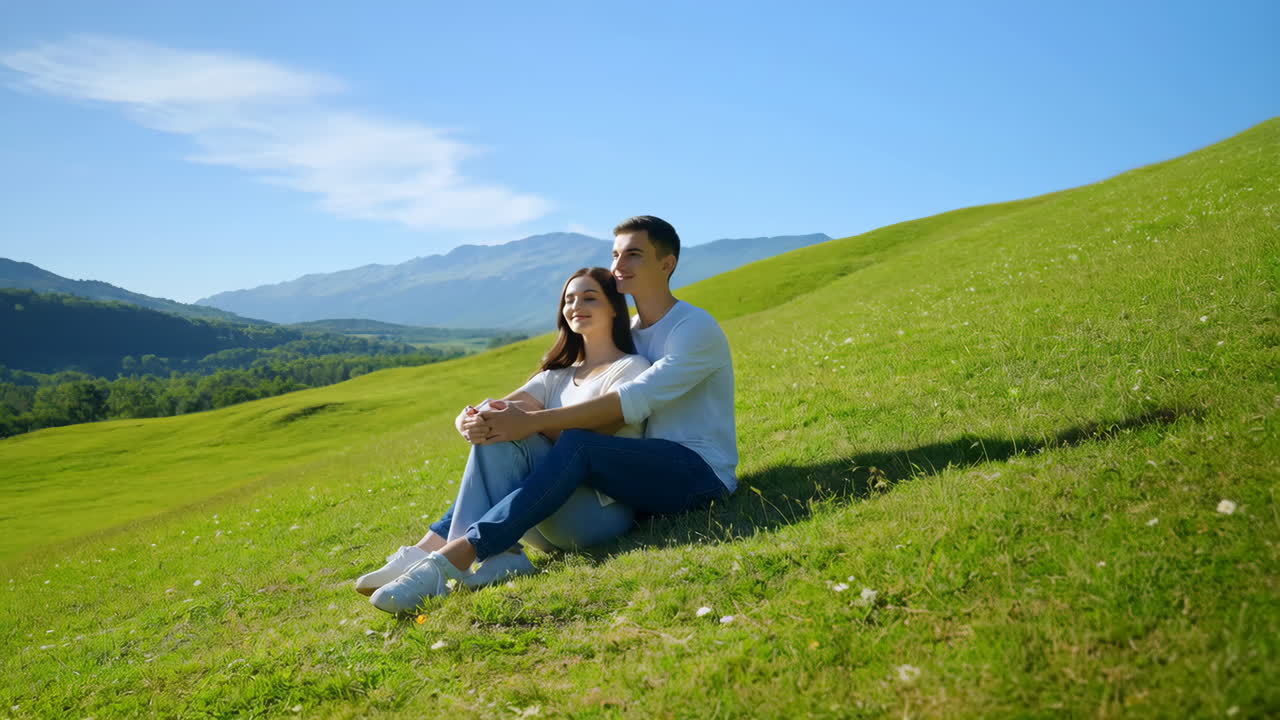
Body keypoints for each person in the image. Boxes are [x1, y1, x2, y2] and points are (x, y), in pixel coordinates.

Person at [369, 215, 738, 614]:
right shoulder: (630, 330)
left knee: (578, 444)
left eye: (634, 255)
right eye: (615, 255)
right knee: (526, 440)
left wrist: (531, 424)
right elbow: (550, 392)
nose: (619, 266)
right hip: (636, 473)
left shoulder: (692, 328)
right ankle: (449, 551)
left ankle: (447, 560)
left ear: (667, 264)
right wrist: (477, 416)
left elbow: (630, 402)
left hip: (696, 469)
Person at [355, 267, 651, 608]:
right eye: (569, 299)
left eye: (589, 298)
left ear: (615, 307)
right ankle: (496, 555)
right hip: (539, 519)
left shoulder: (631, 368)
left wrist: (521, 424)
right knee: (499, 428)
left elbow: (587, 443)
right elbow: (500, 407)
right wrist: (470, 420)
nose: (575, 306)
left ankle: (438, 557)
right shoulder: (557, 375)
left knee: (510, 432)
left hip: (598, 516)